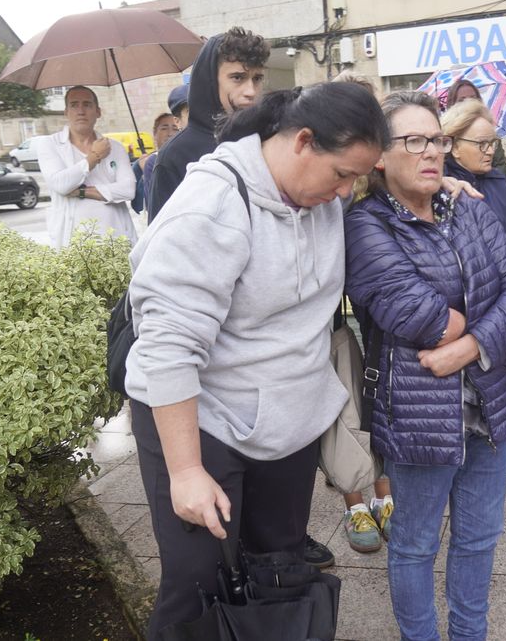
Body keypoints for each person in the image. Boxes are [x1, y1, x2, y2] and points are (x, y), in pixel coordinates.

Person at [124, 82, 388, 637]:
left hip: (287, 417)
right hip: (199, 416)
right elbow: (168, 346)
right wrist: (187, 471)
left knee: (279, 569)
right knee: (198, 584)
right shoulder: (215, 205)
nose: (345, 193)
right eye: (341, 174)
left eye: (355, 180)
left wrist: (450, 191)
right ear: (303, 141)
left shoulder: (319, 198)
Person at [344, 90, 506, 641]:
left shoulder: (468, 206)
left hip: (488, 408)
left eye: (437, 139)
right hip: (418, 415)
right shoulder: (367, 226)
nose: (431, 152)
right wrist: (488, 323)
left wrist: (472, 346)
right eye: (413, 141)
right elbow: (420, 315)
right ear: (380, 155)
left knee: (479, 540)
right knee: (414, 545)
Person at [147, 27, 269, 221]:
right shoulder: (176, 154)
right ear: (211, 81)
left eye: (257, 79)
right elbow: (162, 243)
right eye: (238, 78)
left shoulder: (269, 140)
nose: (251, 91)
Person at [34, 85, 137, 249]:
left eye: (87, 104)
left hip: (116, 239)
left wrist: (80, 191)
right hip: (73, 244)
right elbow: (60, 184)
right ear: (66, 112)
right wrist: (94, 157)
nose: (81, 111)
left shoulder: (115, 148)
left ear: (98, 112)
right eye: (74, 105)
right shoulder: (49, 144)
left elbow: (128, 189)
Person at [441, 99, 506, 260]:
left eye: (492, 143)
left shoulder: (500, 182)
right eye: (482, 143)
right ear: (455, 148)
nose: (490, 151)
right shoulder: (442, 186)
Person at [444, 78, 506, 177]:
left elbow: (501, 166)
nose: (468, 103)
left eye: (473, 98)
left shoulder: (489, 133)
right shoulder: (443, 138)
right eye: (462, 100)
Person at [131, 112, 180, 214]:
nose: (170, 133)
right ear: (155, 133)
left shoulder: (185, 160)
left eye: (175, 129)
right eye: (164, 128)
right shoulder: (141, 164)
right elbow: (137, 206)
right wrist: (145, 175)